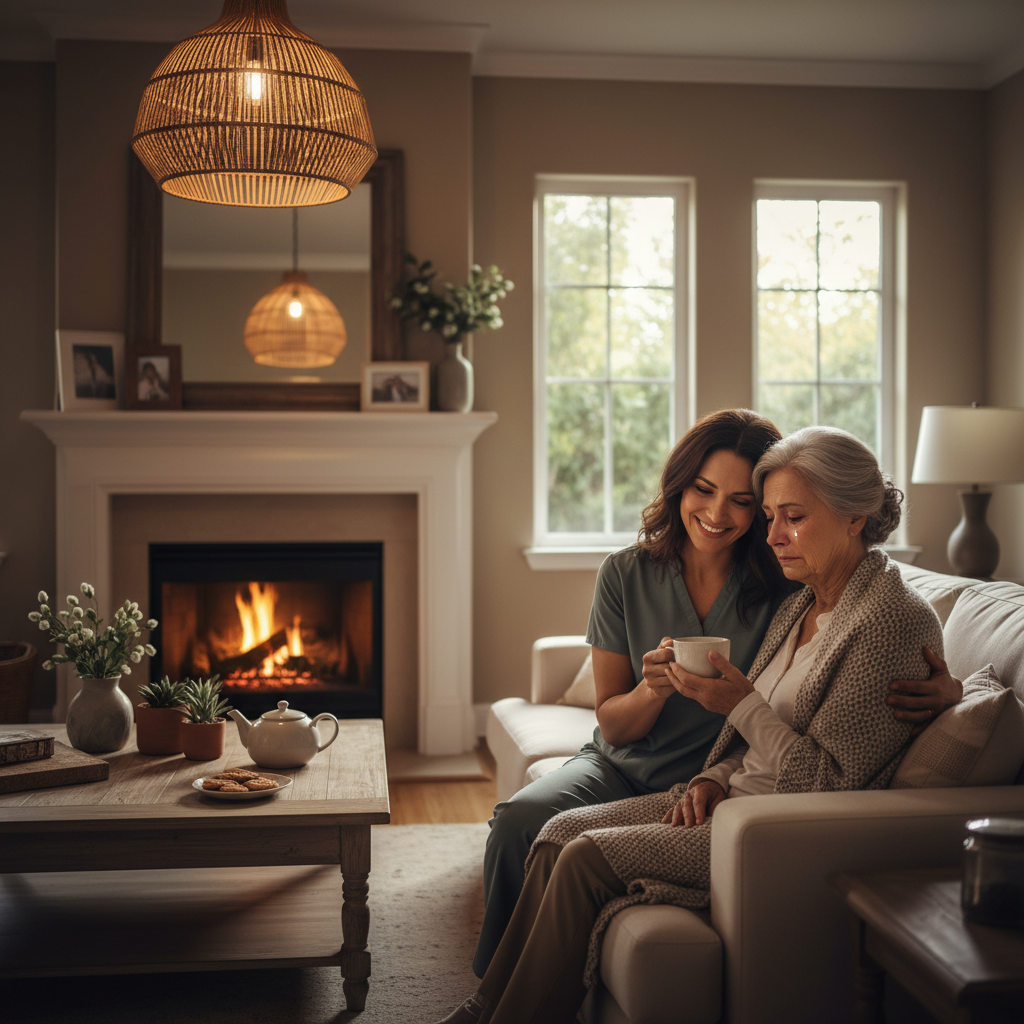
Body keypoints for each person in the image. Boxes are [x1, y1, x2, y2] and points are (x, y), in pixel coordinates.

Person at [438, 425, 952, 1024]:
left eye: (787, 516)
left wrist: (958, 691)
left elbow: (824, 776)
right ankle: (487, 1004)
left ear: (854, 517)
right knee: (550, 833)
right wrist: (714, 772)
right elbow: (722, 736)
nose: (772, 533)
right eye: (771, 516)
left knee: (579, 856)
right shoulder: (801, 602)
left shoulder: (855, 609)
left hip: (762, 820)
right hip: (702, 784)